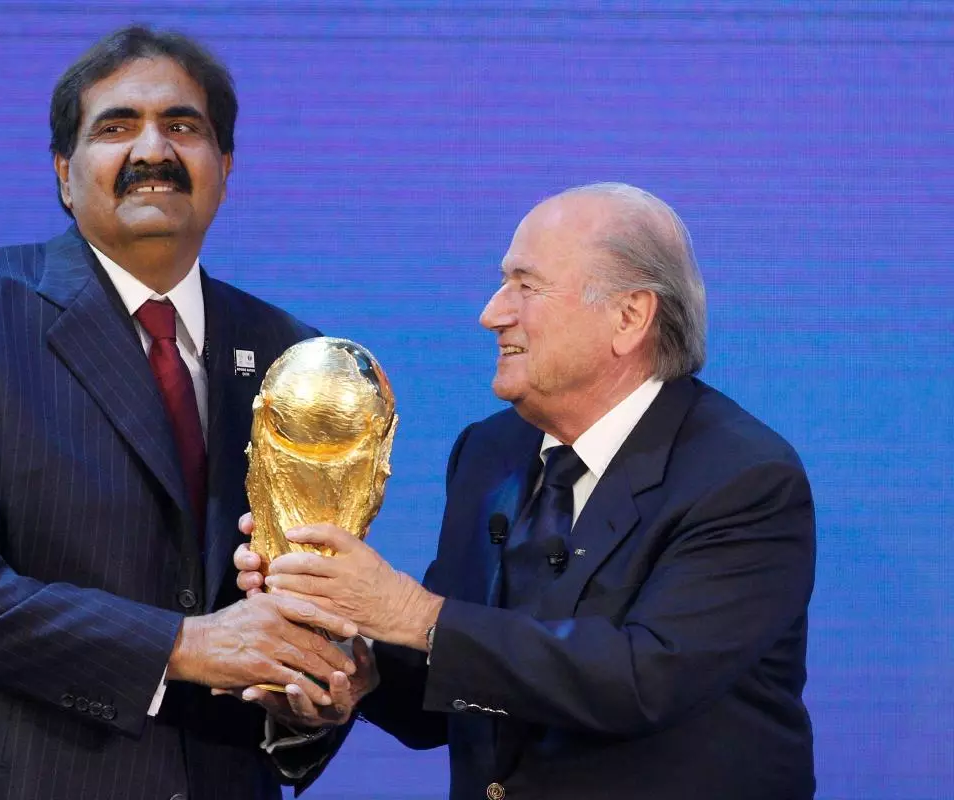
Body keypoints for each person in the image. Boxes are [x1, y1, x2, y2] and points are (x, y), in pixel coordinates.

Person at [0, 25, 358, 800]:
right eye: (115, 127)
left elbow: (284, 612)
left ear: (225, 167)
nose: (153, 150)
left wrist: (308, 697)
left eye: (184, 126)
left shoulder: (292, 356)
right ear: (63, 175)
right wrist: (184, 645)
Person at [235, 183, 817, 799]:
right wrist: (346, 660)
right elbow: (462, 686)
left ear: (629, 317)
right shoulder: (492, 452)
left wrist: (410, 614)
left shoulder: (742, 477)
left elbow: (644, 679)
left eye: (525, 286)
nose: (492, 313)